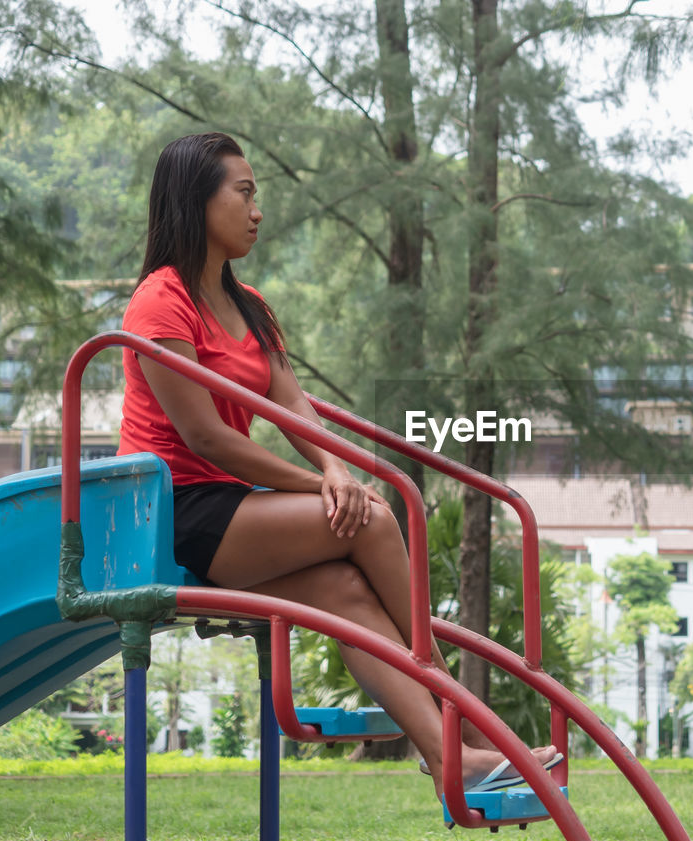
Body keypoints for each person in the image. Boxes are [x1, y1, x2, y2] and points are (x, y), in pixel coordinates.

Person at [117, 132, 556, 798]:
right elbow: (205, 436)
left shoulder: (252, 306)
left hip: (232, 504)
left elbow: (294, 409)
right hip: (176, 511)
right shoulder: (161, 300)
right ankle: (471, 727)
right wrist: (325, 482)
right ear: (197, 201)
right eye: (244, 192)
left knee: (347, 598)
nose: (257, 209)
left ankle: (448, 757)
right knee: (375, 520)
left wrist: (336, 468)